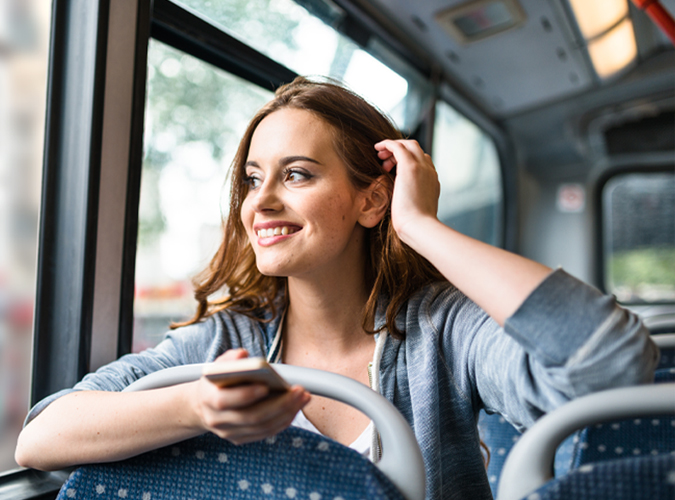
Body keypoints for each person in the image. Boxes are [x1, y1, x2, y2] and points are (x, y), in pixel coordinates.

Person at [15, 77, 658, 499]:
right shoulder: (227, 340)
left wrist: (421, 226)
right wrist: (195, 408)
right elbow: (40, 438)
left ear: (371, 199)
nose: (260, 202)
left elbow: (610, 364)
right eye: (251, 179)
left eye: (295, 175)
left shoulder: (438, 331)